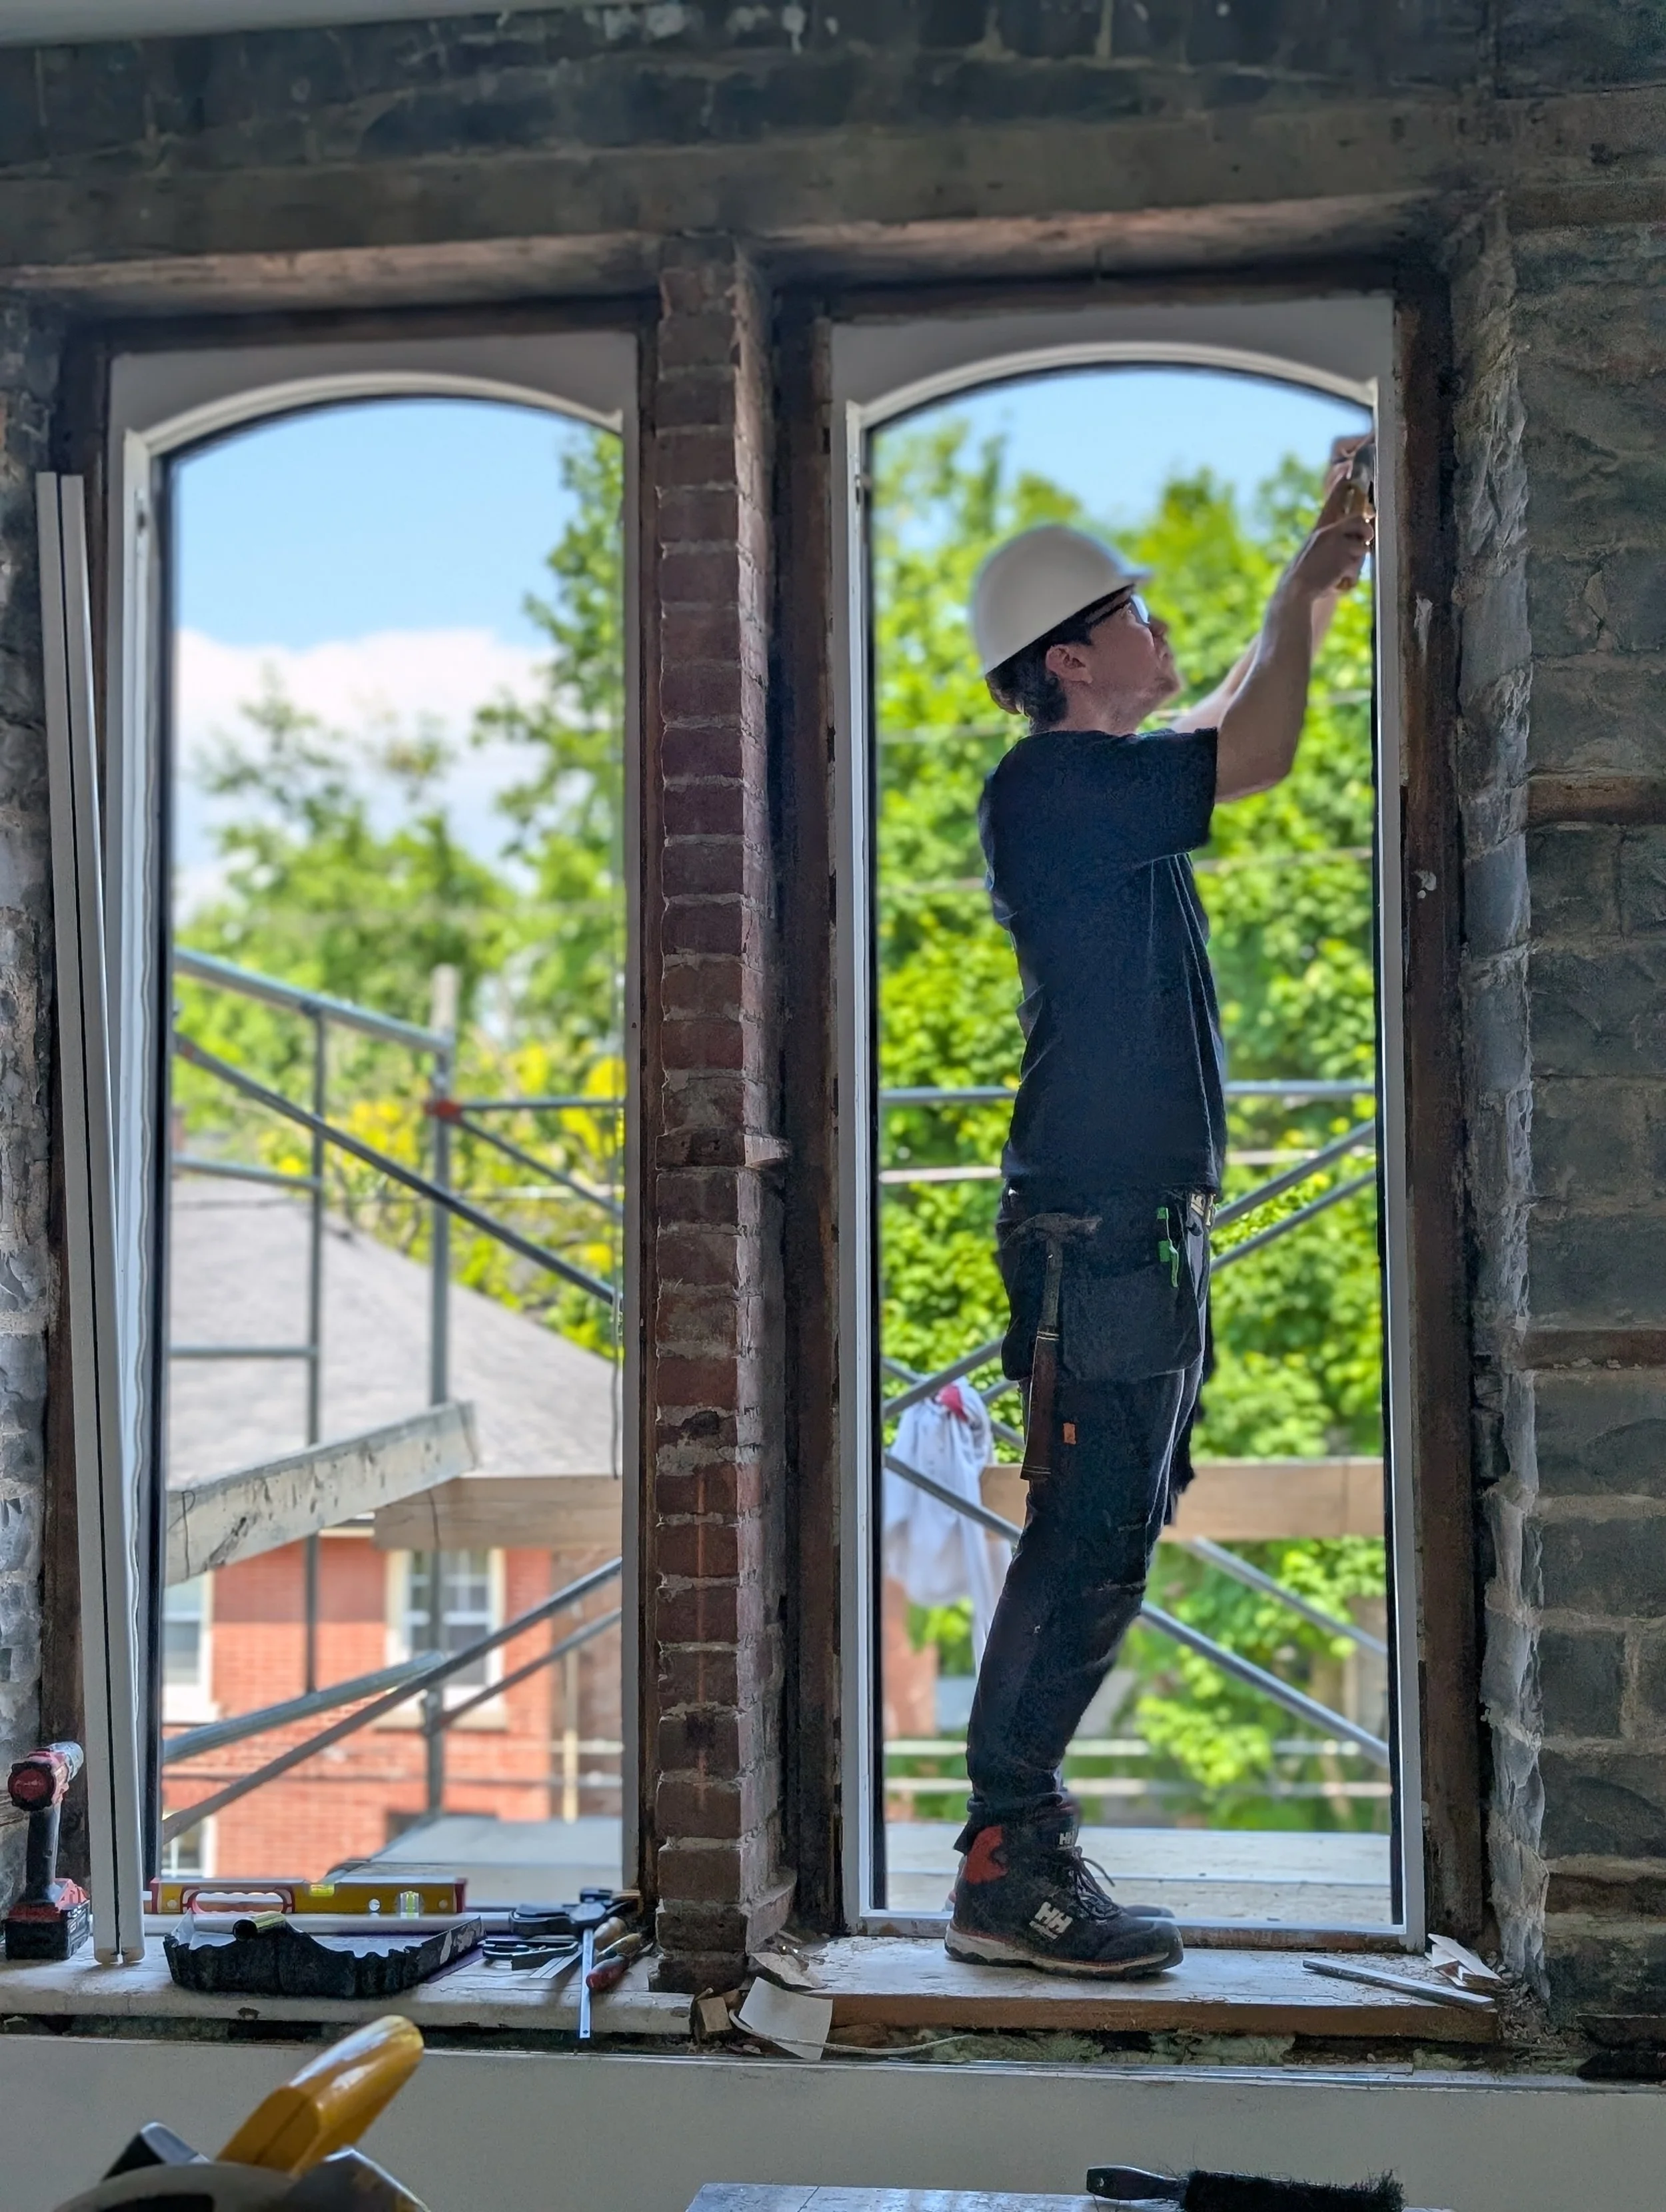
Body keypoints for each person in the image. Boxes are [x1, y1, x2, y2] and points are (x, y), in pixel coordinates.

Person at [945, 450, 1374, 1979]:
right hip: (1098, 1236)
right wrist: (1289, 595)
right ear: (1067, 657)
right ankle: (1007, 1857)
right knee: (1084, 1542)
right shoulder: (1049, 786)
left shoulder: (1102, 790)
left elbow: (1214, 724)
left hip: (1128, 1235)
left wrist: (1310, 584)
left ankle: (1019, 1845)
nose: (1156, 627)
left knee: (1108, 1535)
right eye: (1131, 612)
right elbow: (1250, 751)